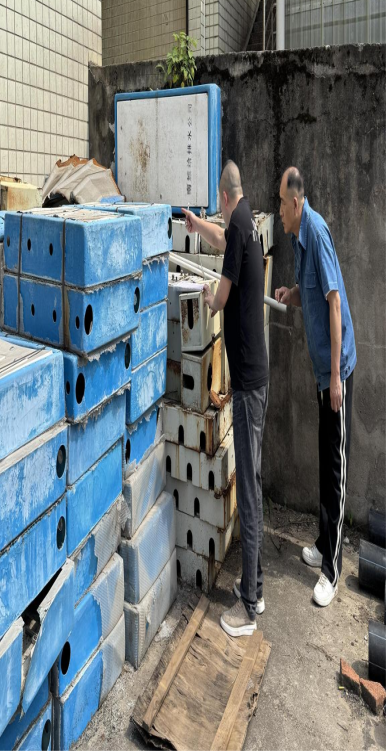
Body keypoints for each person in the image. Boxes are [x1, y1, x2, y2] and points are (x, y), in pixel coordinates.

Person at [182, 160, 268, 637]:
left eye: (216, 204)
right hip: (254, 376)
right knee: (252, 480)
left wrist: (203, 293)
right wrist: (197, 227)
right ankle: (257, 585)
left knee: (249, 492)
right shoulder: (245, 221)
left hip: (250, 383)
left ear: (224, 195)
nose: (216, 210)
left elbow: (220, 298)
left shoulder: (239, 224)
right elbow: (222, 243)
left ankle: (249, 606)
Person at [275, 167, 356, 607]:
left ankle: (333, 571)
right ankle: (325, 544)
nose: (278, 212)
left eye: (280, 204)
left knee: (336, 469)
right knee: (325, 462)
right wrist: (291, 294)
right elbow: (311, 292)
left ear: (295, 202)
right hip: (322, 372)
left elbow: (335, 303)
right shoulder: (297, 237)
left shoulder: (317, 233)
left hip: (334, 373)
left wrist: (337, 378)